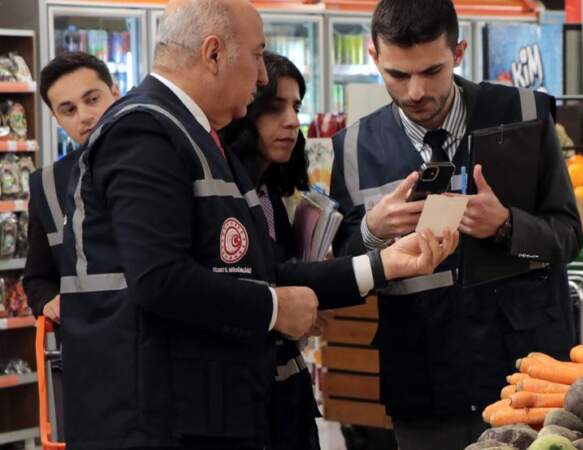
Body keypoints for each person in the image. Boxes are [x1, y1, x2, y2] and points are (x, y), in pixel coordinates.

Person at [56, 1, 458, 449]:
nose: (263, 77)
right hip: (154, 420)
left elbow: (260, 269)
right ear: (212, 54)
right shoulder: (145, 132)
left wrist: (384, 266)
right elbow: (158, 278)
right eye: (256, 55)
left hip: (203, 410)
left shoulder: (199, 138)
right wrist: (273, 308)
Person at [329, 0, 583, 448]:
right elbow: (344, 267)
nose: (415, 92)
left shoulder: (525, 114)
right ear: (373, 57)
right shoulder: (352, 150)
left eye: (431, 71)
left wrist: (506, 226)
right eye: (397, 75)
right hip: (424, 390)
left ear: (459, 52)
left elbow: (569, 235)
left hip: (529, 383)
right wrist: (372, 230)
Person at [220, 51, 320, 450]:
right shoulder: (229, 194)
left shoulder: (271, 192)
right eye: (275, 108)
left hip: (287, 387)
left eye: (296, 107)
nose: (292, 121)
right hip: (245, 392)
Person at [24, 52, 120, 324]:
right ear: (56, 119)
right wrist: (48, 301)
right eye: (68, 110)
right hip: (90, 348)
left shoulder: (159, 161)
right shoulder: (47, 184)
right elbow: (37, 277)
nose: (85, 116)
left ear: (115, 92)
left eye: (92, 99)